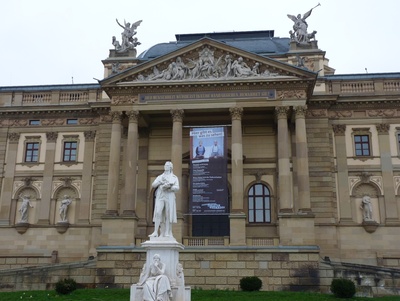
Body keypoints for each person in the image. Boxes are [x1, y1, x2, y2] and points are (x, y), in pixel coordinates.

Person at [149, 161, 179, 238]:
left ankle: (167, 232)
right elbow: (153, 185)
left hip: (169, 196)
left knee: (168, 214)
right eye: (165, 165)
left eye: (167, 165)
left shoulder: (174, 177)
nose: (166, 166)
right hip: (161, 196)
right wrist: (160, 182)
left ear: (170, 167)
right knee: (158, 213)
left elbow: (177, 188)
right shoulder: (160, 177)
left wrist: (169, 187)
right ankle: (156, 231)